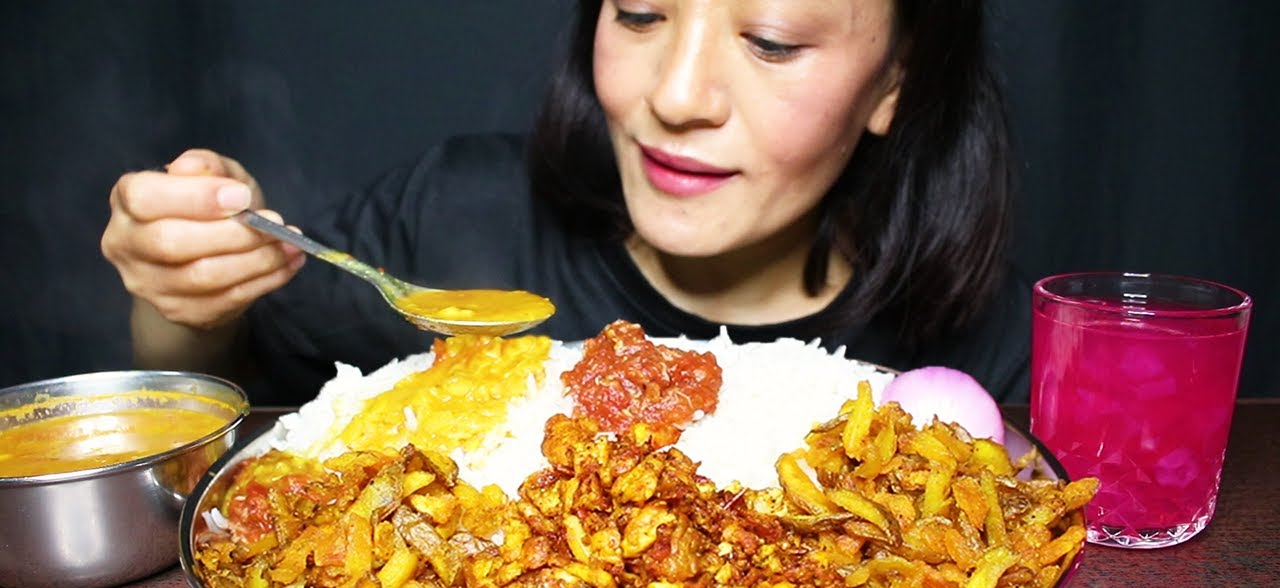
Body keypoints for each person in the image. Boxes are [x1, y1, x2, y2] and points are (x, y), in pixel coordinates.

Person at [101, 0, 1029, 406]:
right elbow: (219, 389)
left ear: (894, 83)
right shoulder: (452, 216)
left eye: (772, 40)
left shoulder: (994, 340)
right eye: (637, 15)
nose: (676, 96)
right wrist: (181, 293)